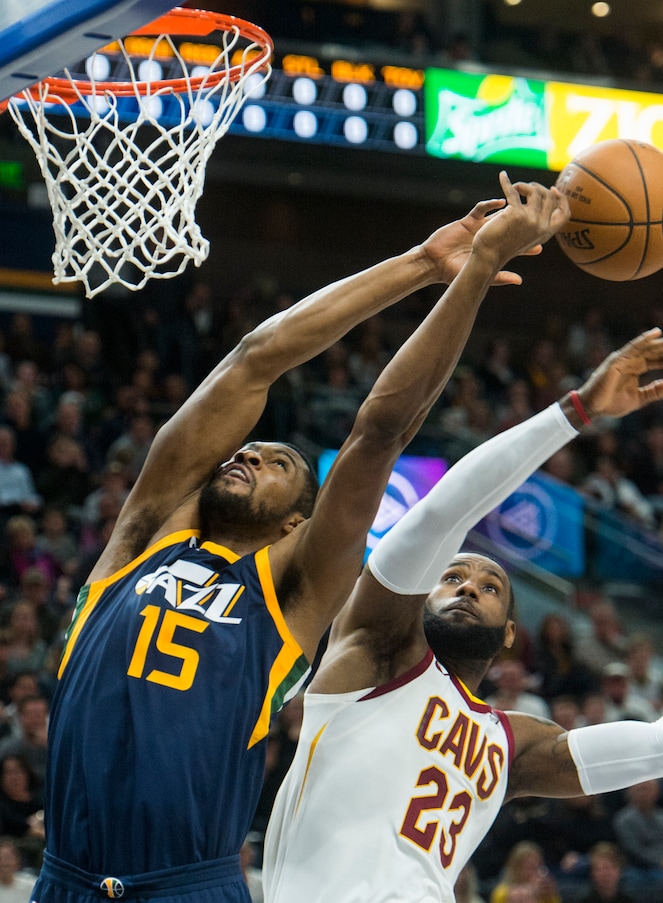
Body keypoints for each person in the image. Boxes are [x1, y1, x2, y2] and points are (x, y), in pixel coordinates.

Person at [30, 173, 569, 903]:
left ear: (296, 521)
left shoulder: (294, 588)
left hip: (186, 885)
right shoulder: (141, 535)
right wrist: (418, 262)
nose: (247, 453)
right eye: (244, 452)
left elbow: (381, 431)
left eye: (277, 460)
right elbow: (256, 357)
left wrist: (473, 273)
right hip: (62, 878)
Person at [263, 328, 663, 903]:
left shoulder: (511, 745)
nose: (469, 587)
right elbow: (445, 511)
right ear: (422, 599)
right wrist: (575, 411)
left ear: (510, 632)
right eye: (451, 577)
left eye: (490, 585)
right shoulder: (378, 649)